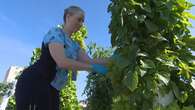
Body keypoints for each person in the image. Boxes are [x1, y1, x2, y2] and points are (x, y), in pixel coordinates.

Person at [15, 5, 109, 110]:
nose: (81, 24)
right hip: (35, 81)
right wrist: (93, 68)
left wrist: (113, 60)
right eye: (79, 19)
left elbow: (90, 61)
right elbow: (62, 62)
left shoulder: (75, 45)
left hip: (53, 88)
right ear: (68, 17)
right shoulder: (56, 33)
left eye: (83, 21)